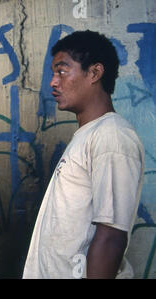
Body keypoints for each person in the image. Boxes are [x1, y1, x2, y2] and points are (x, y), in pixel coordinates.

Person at [23, 30, 144, 279]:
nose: (53, 82)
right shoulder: (88, 135)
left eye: (62, 71)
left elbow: (111, 236)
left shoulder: (112, 135)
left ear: (94, 73)